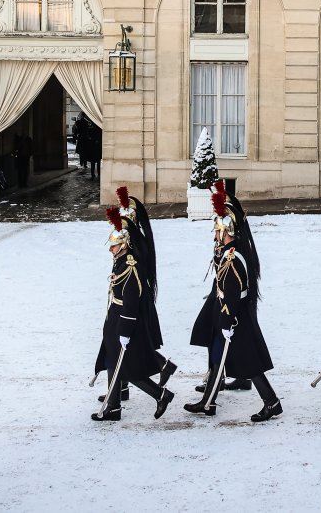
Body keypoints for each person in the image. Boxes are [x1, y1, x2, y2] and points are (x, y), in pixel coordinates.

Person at [184, 187, 282, 422]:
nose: (215, 235)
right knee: (218, 355)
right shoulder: (228, 251)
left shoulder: (232, 257)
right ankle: (208, 402)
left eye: (217, 230)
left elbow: (232, 293)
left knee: (249, 362)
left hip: (235, 317)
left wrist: (227, 320)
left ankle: (272, 402)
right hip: (228, 314)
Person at [91, 207, 176, 422]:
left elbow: (131, 302)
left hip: (123, 321)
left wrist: (124, 330)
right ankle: (113, 406)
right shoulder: (121, 260)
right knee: (113, 361)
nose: (111, 249)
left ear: (125, 244)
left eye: (115, 245)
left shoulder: (130, 266)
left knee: (126, 367)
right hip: (115, 319)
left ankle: (160, 394)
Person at [190, 180, 252, 395]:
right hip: (219, 288)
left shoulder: (231, 229)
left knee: (223, 334)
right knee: (211, 331)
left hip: (228, 291)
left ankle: (220, 378)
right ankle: (220, 376)